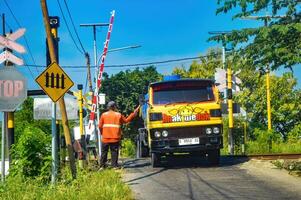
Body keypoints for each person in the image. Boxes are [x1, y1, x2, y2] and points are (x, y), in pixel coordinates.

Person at [99, 101, 140, 168]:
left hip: (105, 138)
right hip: (115, 138)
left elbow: (100, 126)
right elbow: (126, 121)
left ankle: (102, 166)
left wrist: (102, 133)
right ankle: (114, 166)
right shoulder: (118, 115)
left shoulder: (104, 115)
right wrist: (133, 114)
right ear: (114, 107)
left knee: (104, 152)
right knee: (114, 152)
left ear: (108, 107)